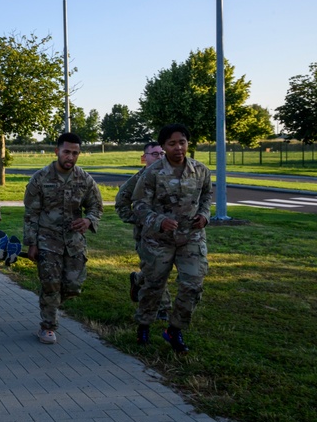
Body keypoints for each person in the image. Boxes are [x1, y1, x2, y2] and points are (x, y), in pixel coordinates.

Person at [131, 124, 212, 353]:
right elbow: (139, 204)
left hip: (191, 238)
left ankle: (174, 329)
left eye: (182, 142)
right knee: (154, 285)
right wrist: (159, 221)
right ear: (165, 147)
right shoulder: (152, 173)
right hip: (159, 240)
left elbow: (206, 196)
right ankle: (144, 324)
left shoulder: (200, 170)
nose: (178, 147)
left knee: (193, 284)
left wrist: (205, 216)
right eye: (172, 143)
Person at [23, 131, 104, 345]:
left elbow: (96, 206)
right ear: (57, 151)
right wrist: (32, 243)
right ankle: (48, 326)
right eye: (66, 152)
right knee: (51, 284)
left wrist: (88, 220)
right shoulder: (41, 178)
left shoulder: (84, 179)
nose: (70, 157)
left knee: (73, 286)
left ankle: (51, 303)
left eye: (75, 153)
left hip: (74, 243)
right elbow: (31, 214)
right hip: (47, 241)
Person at [114, 141, 171, 332]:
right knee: (157, 270)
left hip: (167, 234)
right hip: (146, 235)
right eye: (154, 154)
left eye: (162, 153)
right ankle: (163, 308)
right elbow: (121, 203)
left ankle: (138, 279)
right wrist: (138, 220)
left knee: (158, 270)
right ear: (144, 157)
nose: (160, 157)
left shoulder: (169, 178)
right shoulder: (137, 180)